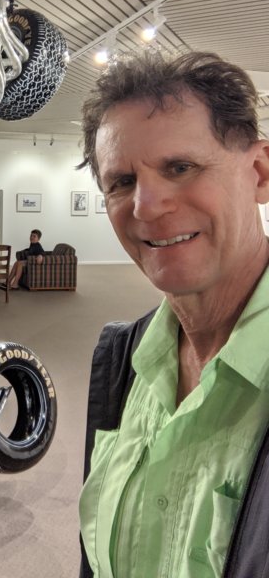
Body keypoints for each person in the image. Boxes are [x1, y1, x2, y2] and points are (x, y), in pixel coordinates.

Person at [77, 50, 269, 578]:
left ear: (259, 173)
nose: (146, 205)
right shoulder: (123, 358)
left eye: (180, 168)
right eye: (121, 182)